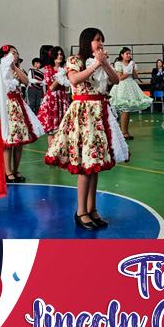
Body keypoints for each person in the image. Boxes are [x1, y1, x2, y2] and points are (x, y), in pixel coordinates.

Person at [44, 27, 128, 231]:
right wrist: (96, 65)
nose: (100, 44)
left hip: (99, 114)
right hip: (83, 113)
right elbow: (74, 79)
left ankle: (92, 209)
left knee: (95, 164)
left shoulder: (102, 62)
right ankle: (81, 211)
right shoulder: (75, 60)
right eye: (97, 40)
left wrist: (105, 64)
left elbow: (116, 81)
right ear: (87, 41)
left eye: (102, 40)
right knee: (85, 164)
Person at [0, 45, 44, 184]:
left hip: (18, 104)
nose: (16, 55)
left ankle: (16, 169)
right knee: (8, 140)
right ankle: (7, 171)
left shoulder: (17, 69)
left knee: (19, 140)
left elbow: (25, 81)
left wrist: (14, 67)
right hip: (7, 104)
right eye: (13, 53)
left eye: (17, 53)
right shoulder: (0, 69)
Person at [110, 47, 152, 140]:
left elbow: (135, 76)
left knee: (127, 110)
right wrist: (128, 71)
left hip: (131, 85)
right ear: (122, 55)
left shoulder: (132, 64)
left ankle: (126, 131)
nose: (129, 55)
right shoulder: (118, 64)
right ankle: (123, 132)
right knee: (125, 109)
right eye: (127, 54)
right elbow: (120, 77)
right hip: (123, 86)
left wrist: (132, 69)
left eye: (129, 53)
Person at [37, 46, 71, 147]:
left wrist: (65, 77)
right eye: (57, 55)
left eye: (61, 55)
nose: (59, 57)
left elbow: (66, 88)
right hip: (52, 99)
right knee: (52, 129)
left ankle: (61, 150)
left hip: (62, 98)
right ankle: (51, 151)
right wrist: (60, 76)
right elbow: (51, 87)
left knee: (63, 127)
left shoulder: (65, 69)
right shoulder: (48, 69)